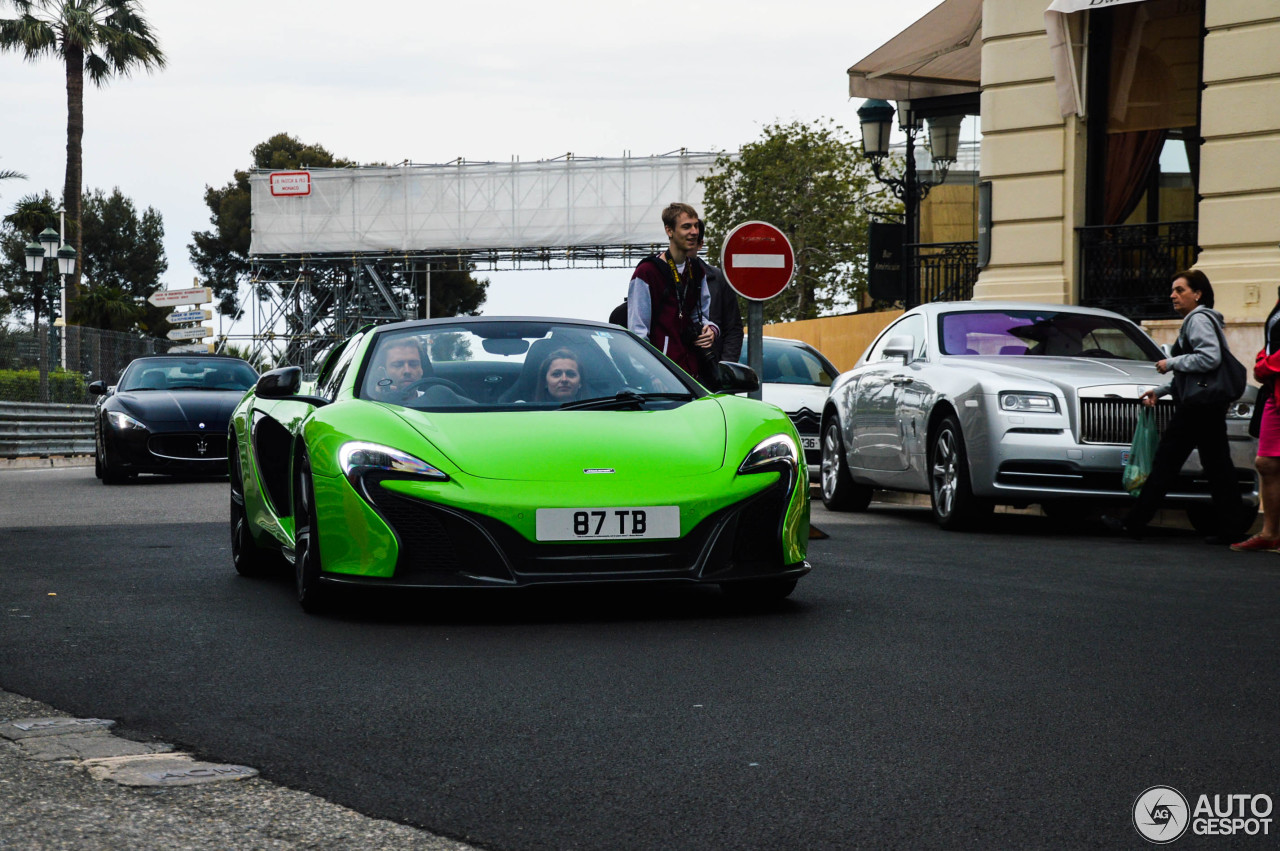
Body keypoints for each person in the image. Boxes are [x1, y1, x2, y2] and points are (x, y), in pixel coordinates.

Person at [1102, 270, 1245, 543]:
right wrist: (1162, 390)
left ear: (1197, 294)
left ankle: (1135, 523)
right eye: (1173, 291)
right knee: (1216, 467)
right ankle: (1232, 529)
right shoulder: (1200, 320)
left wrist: (1171, 363)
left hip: (1198, 407)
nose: (1173, 295)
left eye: (1180, 290)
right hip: (1206, 403)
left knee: (1168, 462)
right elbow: (1195, 374)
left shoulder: (1198, 319)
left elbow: (1209, 359)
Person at [626, 202, 718, 382]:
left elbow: (702, 316)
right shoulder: (646, 272)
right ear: (669, 231)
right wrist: (651, 375)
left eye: (696, 225)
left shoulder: (697, 270)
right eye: (686, 227)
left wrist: (711, 330)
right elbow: (638, 332)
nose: (694, 232)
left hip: (691, 375)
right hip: (659, 378)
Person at [1231, 290, 1280, 551]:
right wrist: (1264, 359)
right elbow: (1272, 341)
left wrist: (1268, 365)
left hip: (1275, 378)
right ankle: (1271, 533)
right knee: (1267, 462)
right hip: (1275, 391)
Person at [692, 220, 744, 364]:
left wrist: (725, 367)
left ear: (700, 244)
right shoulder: (659, 274)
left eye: (692, 241)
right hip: (668, 372)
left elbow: (733, 328)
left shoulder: (718, 278)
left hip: (709, 372)